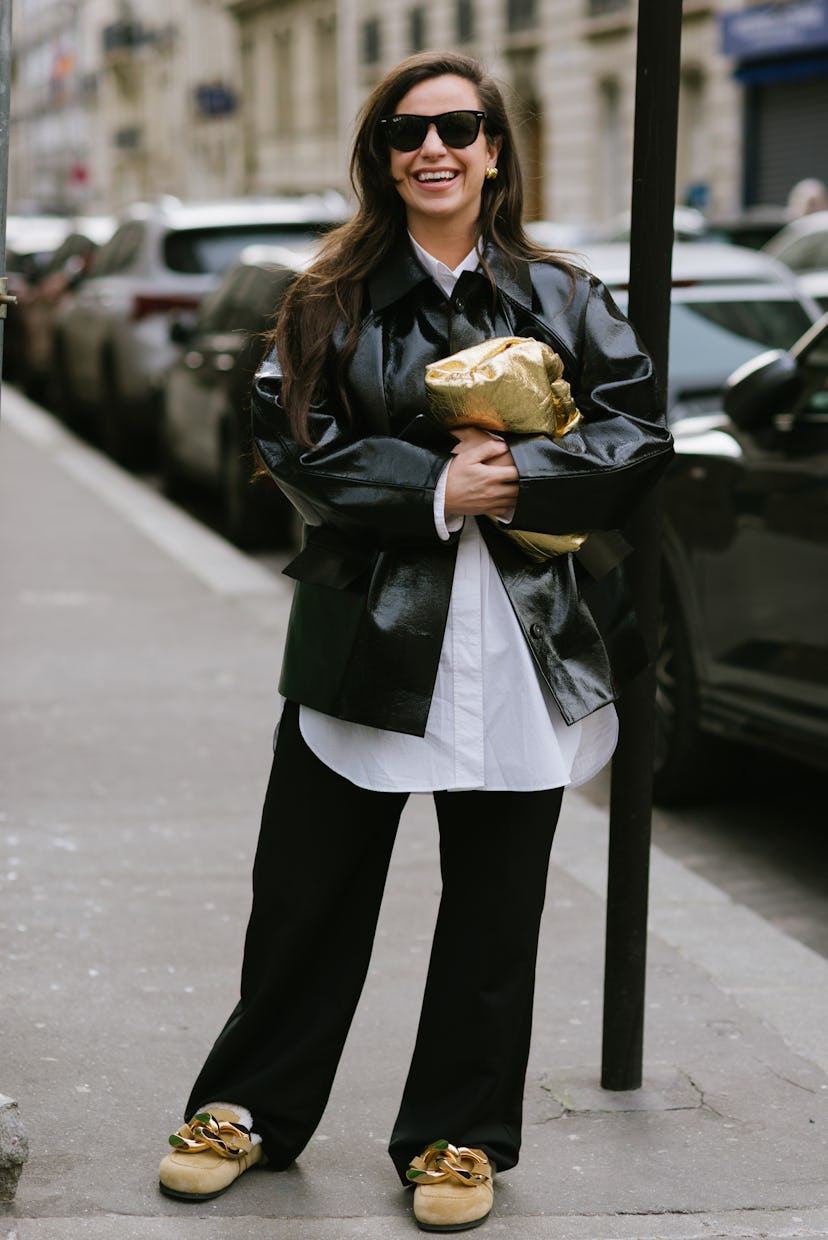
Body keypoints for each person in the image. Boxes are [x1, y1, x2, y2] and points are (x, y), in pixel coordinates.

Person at [157, 50, 674, 1233]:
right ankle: (246, 1107)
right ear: (381, 159)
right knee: (306, 890)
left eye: (456, 127)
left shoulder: (569, 295)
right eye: (405, 132)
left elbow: (640, 435)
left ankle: (458, 1138)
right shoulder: (326, 298)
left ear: (496, 148)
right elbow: (294, 441)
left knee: (495, 906)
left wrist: (526, 476)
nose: (431, 148)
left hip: (526, 638)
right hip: (366, 637)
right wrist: (444, 486)